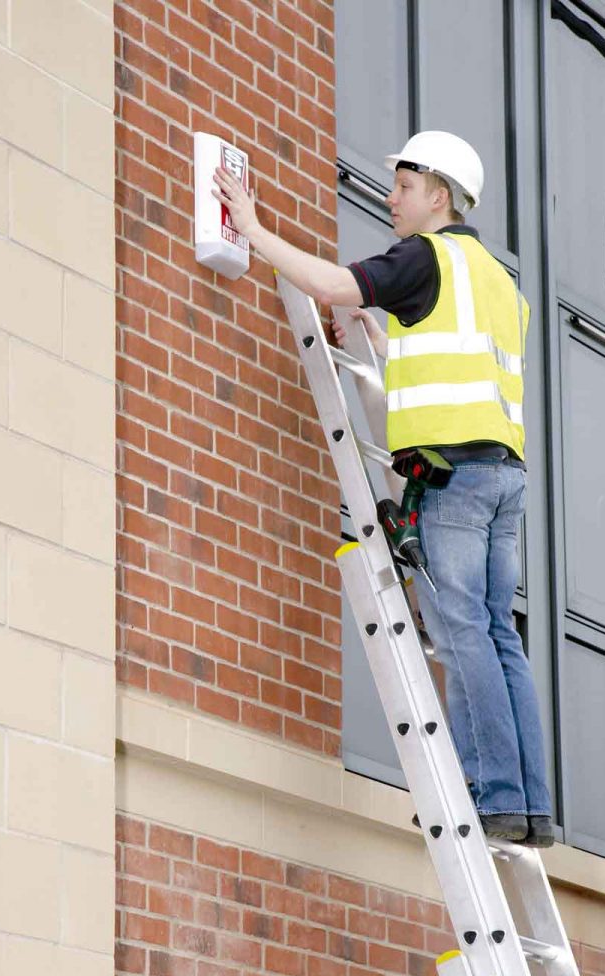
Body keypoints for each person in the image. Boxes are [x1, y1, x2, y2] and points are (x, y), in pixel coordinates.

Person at [213, 130, 554, 847]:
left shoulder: (426, 255)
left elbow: (334, 284)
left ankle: (492, 796)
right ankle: (529, 805)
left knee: (461, 633)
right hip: (503, 475)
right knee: (497, 636)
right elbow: (454, 359)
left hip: (453, 479)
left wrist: (251, 228)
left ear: (440, 195)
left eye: (404, 187)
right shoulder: (497, 278)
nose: (392, 199)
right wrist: (384, 338)